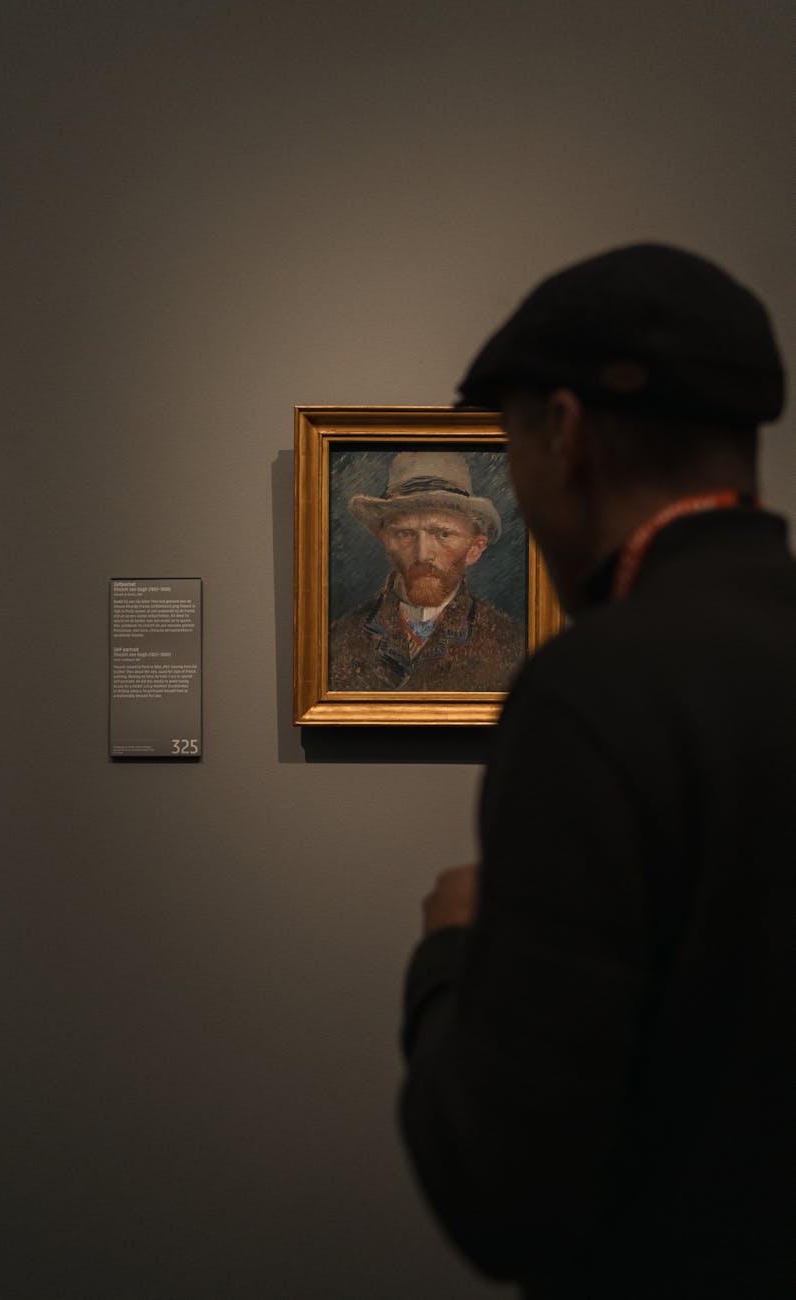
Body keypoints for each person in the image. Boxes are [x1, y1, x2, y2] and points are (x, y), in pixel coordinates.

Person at [399, 243, 794, 1299]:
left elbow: (505, 1191)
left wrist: (450, 959)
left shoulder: (596, 690)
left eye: (510, 450)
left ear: (565, 434)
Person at [329, 450, 523, 690]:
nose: (422, 555)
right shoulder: (338, 640)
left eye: (443, 534)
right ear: (386, 541)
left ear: (474, 548)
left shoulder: (512, 644)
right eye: (405, 533)